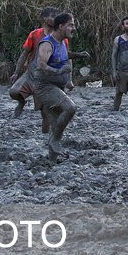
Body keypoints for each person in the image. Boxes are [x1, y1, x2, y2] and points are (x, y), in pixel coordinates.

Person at [30, 12, 78, 157]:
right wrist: (60, 71)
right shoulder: (47, 43)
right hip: (45, 86)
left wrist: (79, 55)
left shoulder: (62, 41)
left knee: (55, 121)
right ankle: (55, 141)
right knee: (70, 108)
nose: (74, 28)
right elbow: (41, 65)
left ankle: (52, 159)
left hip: (57, 86)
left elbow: (63, 55)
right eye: (71, 25)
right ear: (61, 26)